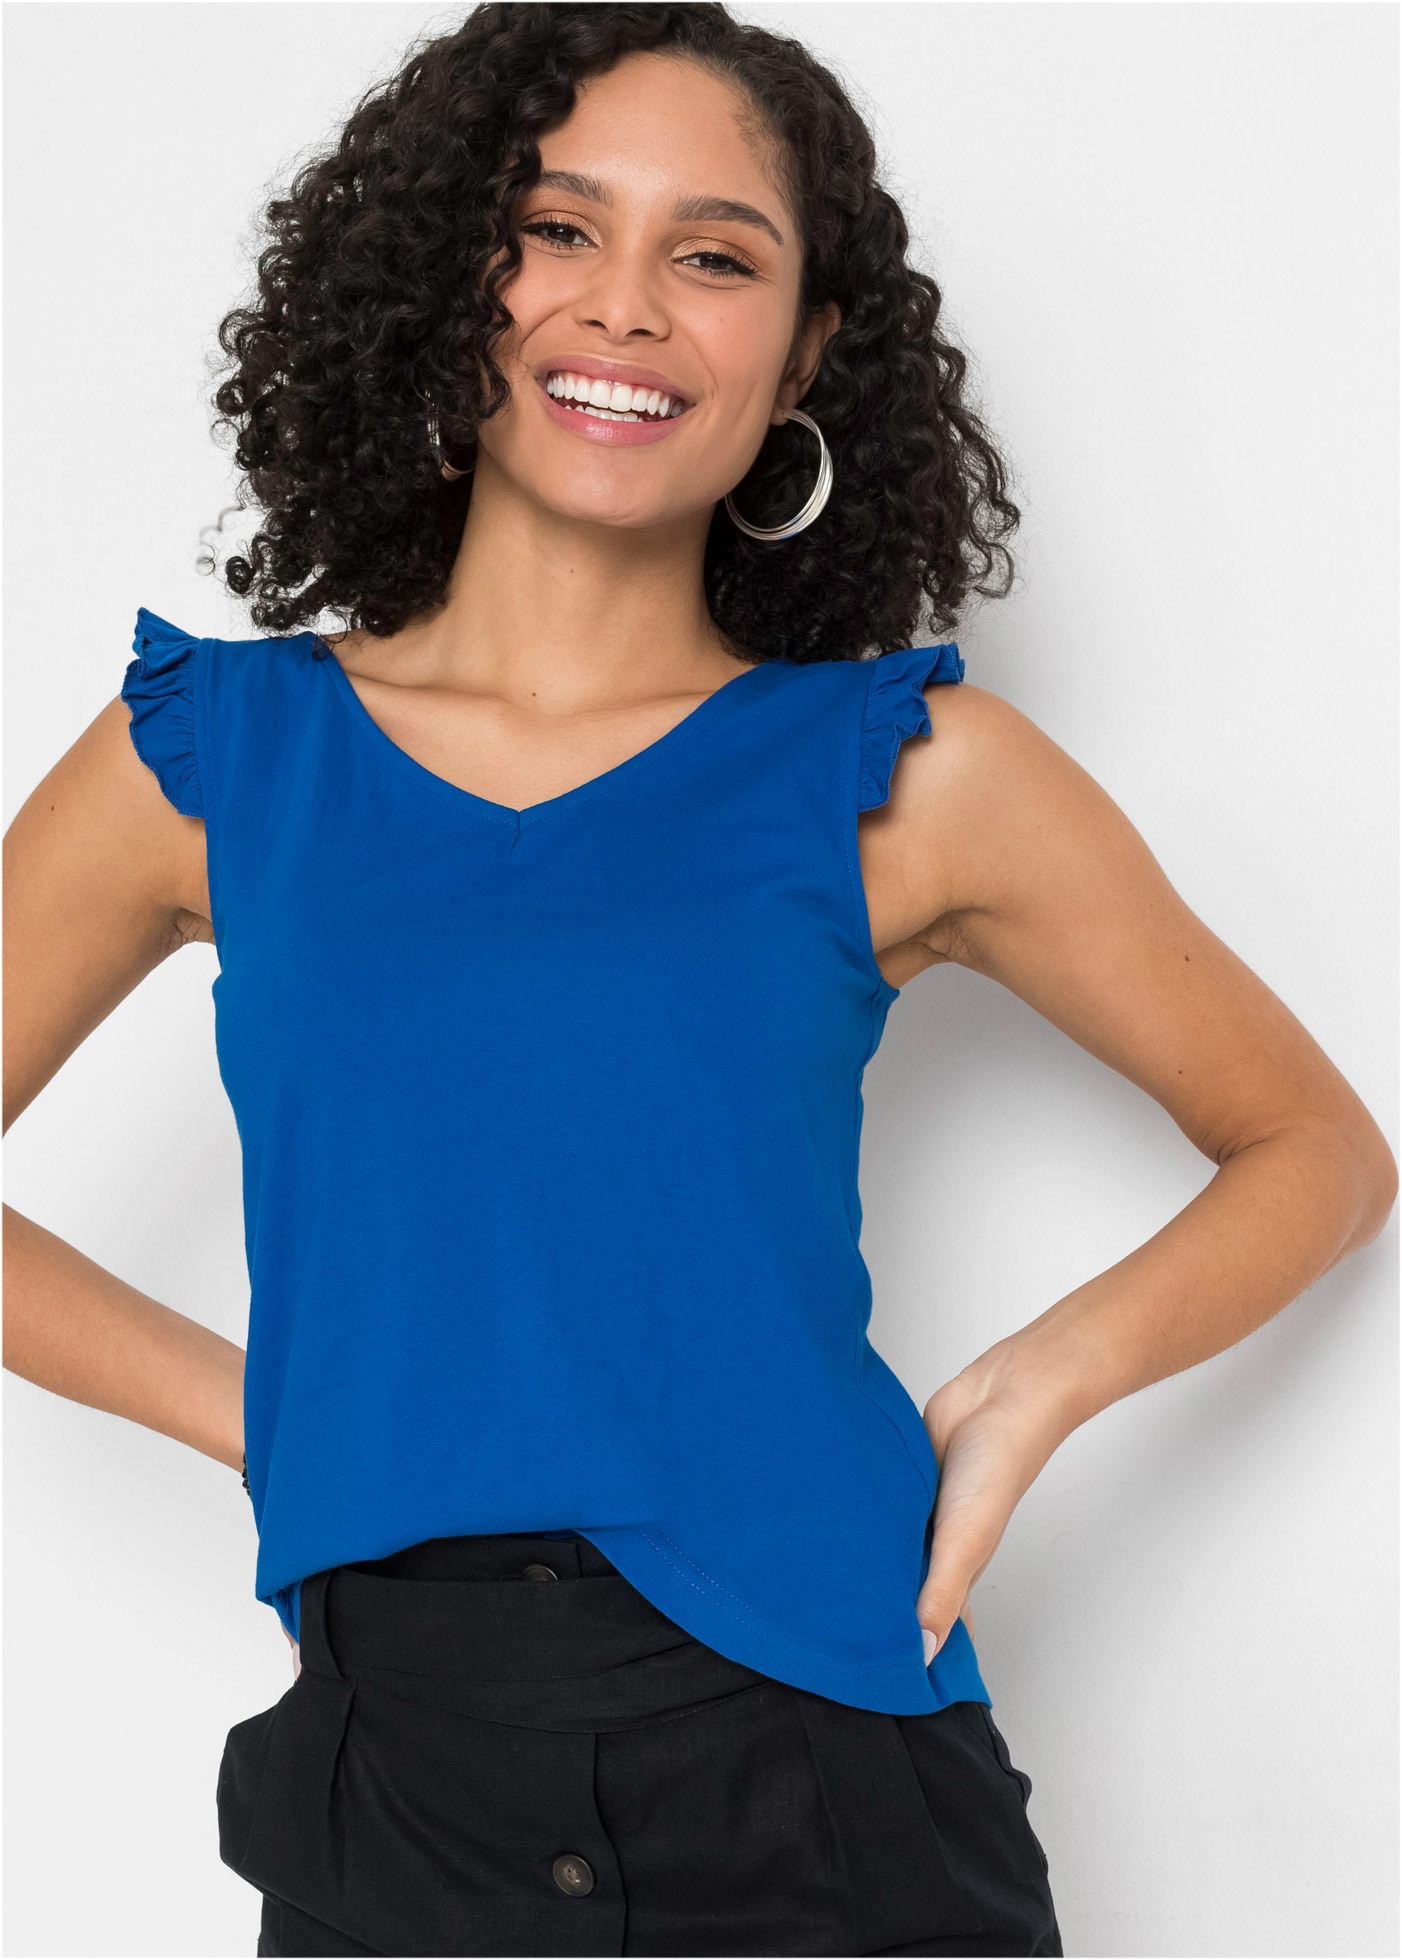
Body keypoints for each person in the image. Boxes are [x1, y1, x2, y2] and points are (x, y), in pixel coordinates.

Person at [3, 4, 1394, 1955]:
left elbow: (1313, 1147)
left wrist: (1035, 1384)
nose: (627, 306)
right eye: (557, 228)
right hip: (395, 1779)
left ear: (803, 351)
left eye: (716, 255)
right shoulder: (215, 756)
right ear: (451, 277)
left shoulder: (905, 771)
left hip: (821, 1751)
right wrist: (272, 1409)